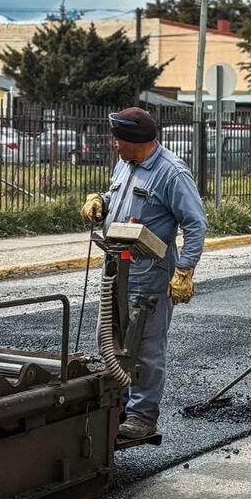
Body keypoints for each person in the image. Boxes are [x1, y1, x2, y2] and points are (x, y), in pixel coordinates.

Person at [80, 107, 207, 439]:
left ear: (135, 141)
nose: (114, 145)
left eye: (118, 139)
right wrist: (102, 201)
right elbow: (118, 196)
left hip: (150, 274)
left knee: (145, 349)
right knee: (108, 341)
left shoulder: (171, 173)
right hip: (116, 271)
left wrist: (184, 271)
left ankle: (142, 416)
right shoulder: (125, 163)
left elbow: (196, 224)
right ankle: (115, 407)